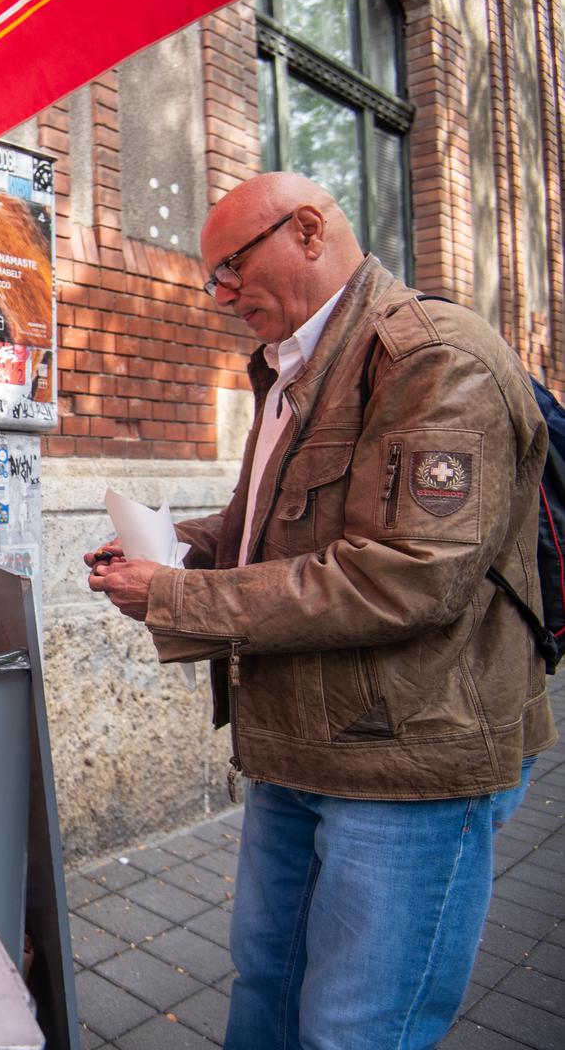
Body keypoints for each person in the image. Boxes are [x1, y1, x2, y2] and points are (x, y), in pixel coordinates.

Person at [86, 172, 557, 1048]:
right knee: (267, 987)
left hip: (406, 764)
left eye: (230, 268)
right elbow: (263, 527)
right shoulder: (289, 366)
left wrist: (176, 594)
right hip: (297, 743)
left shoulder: (431, 357)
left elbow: (407, 576)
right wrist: (174, 548)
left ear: (307, 230)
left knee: (354, 1028)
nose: (220, 294)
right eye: (212, 277)